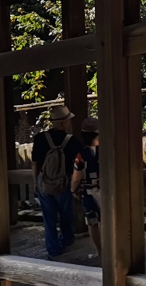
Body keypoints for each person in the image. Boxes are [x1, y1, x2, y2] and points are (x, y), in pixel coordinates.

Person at [32, 104, 77, 258]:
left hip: (44, 182)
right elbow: (78, 163)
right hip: (64, 183)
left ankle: (53, 249)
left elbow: (35, 162)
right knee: (66, 214)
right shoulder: (72, 141)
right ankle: (67, 238)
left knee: (48, 218)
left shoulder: (40, 139)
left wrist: (36, 181)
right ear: (64, 123)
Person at [71, 117, 101, 258]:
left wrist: (73, 190)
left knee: (92, 223)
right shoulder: (108, 151)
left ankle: (100, 251)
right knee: (109, 221)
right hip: (107, 191)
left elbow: (77, 178)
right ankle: (112, 249)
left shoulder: (81, 155)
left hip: (88, 192)